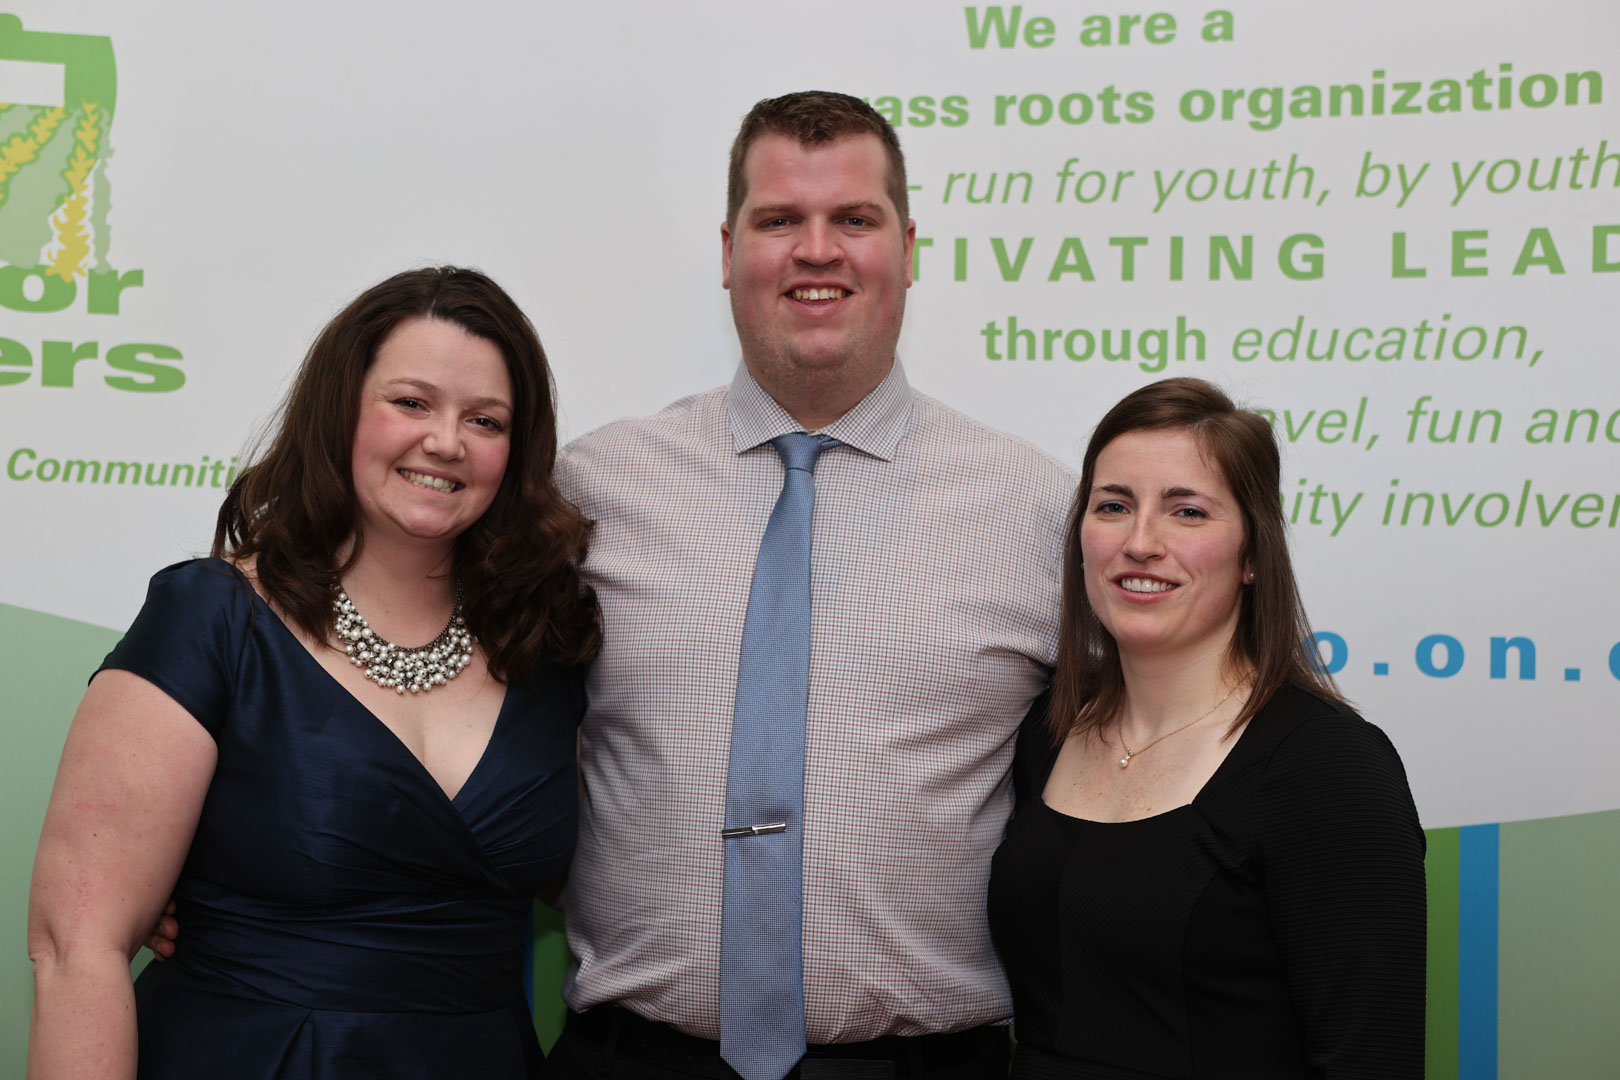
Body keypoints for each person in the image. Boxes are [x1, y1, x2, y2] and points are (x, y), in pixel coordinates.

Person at [547, 91, 1074, 1080]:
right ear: (728, 250)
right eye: (780, 219)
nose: (817, 250)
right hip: (633, 1060)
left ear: (908, 250)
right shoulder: (592, 491)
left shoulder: (1038, 508)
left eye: (855, 219)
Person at [26, 267, 601, 1080]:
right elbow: (76, 947)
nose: (447, 441)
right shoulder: (213, 619)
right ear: (341, 410)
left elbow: (598, 880)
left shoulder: (545, 648)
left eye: (486, 420)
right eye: (411, 402)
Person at [987, 377, 1426, 1078]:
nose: (1140, 542)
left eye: (1187, 511)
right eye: (1113, 506)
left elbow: (1370, 1059)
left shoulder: (1328, 768)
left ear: (1252, 556)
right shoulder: (1047, 731)